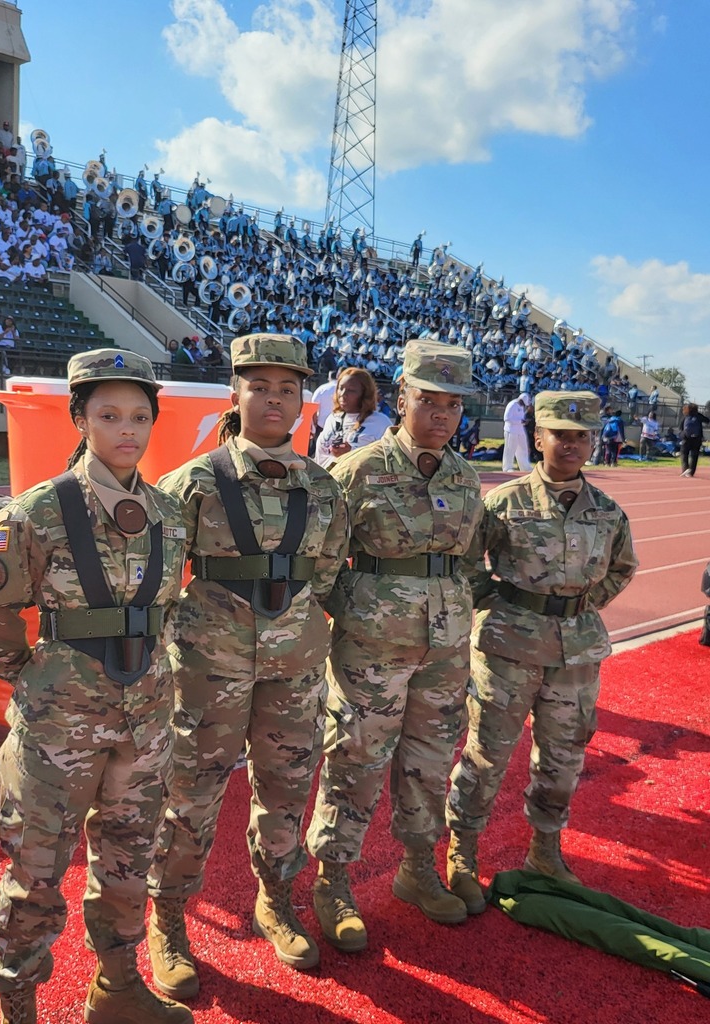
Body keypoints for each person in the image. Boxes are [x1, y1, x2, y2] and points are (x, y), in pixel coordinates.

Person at [0, 349, 192, 1024]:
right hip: (61, 725)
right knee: (36, 871)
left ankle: (117, 991)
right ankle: (19, 1006)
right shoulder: (38, 512)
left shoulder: (168, 515)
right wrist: (32, 678)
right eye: (109, 414)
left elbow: (167, 611)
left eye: (140, 416)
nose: (128, 429)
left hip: (145, 718)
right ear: (79, 417)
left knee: (128, 860)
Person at [147, 333, 349, 991]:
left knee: (288, 788)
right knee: (190, 795)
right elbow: (152, 577)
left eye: (287, 388)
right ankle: (168, 917)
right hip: (209, 669)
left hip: (293, 667)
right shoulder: (193, 483)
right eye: (259, 385)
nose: (273, 398)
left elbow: (325, 571)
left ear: (301, 402)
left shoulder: (322, 488)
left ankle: (276, 899)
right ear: (235, 394)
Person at [305, 341, 485, 951]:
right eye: (428, 401)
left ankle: (416, 869)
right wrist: (359, 613)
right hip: (372, 650)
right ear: (402, 398)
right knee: (355, 759)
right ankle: (334, 881)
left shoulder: (465, 476)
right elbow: (321, 565)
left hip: (445, 649)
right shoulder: (358, 471)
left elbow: (471, 563)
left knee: (430, 762)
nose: (441, 416)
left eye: (453, 406)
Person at [446, 391, 637, 908]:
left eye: (581, 436)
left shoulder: (607, 512)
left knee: (563, 757)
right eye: (560, 434)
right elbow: (465, 563)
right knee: (486, 754)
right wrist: (499, 601)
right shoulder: (504, 502)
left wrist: (583, 604)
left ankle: (545, 850)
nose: (571, 445)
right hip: (508, 647)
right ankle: (463, 849)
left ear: (592, 441)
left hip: (576, 654)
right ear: (539, 437)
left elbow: (623, 567)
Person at [314, 367, 393, 466]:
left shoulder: (380, 422)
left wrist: (351, 452)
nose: (343, 394)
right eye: (340, 388)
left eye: (351, 390)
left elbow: (391, 460)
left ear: (364, 394)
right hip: (322, 480)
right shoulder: (332, 418)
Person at [502, 393, 532, 472]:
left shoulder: (522, 407)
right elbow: (506, 418)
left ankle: (525, 467)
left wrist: (523, 421)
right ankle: (507, 467)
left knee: (523, 448)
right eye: (523, 403)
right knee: (510, 449)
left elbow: (520, 417)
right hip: (511, 430)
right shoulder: (512, 405)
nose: (523, 405)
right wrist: (519, 421)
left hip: (520, 430)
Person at [679, 403, 709, 477]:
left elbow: (680, 427)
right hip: (697, 438)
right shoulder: (698, 416)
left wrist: (682, 435)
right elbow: (707, 420)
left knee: (684, 454)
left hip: (686, 439)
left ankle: (685, 469)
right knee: (694, 456)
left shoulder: (685, 416)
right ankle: (691, 472)